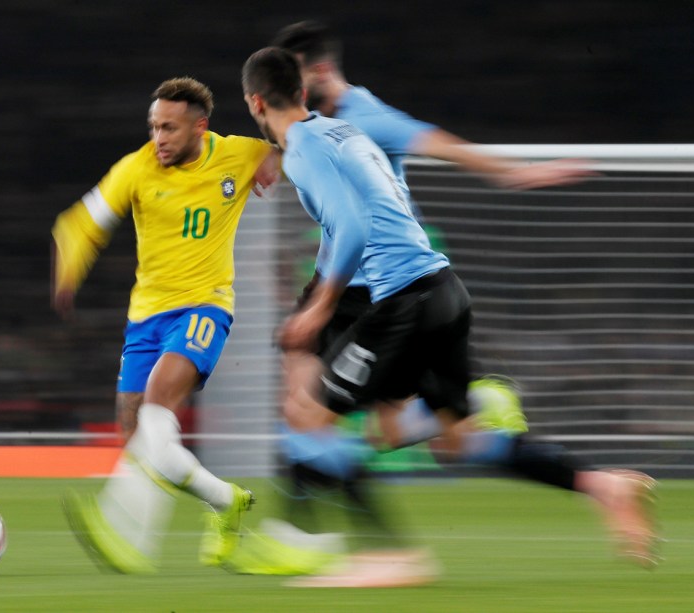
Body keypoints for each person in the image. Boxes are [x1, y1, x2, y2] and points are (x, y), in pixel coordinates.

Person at [240, 47, 658, 587]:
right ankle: (601, 485)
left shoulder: (303, 150)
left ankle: (388, 556)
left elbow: (350, 225)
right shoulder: (343, 133)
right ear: (301, 92)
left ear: (255, 102)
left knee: (309, 416)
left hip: (404, 302)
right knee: (457, 440)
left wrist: (319, 306)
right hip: (445, 292)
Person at [54, 77, 279, 573]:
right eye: (155, 127)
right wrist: (69, 267)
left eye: (170, 128)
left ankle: (129, 535)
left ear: (201, 126)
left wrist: (274, 164)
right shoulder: (136, 168)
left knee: (159, 401)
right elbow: (79, 221)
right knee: (138, 439)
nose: (159, 138)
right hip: (145, 318)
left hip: (205, 307)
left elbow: (289, 149)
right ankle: (225, 500)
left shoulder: (238, 154)